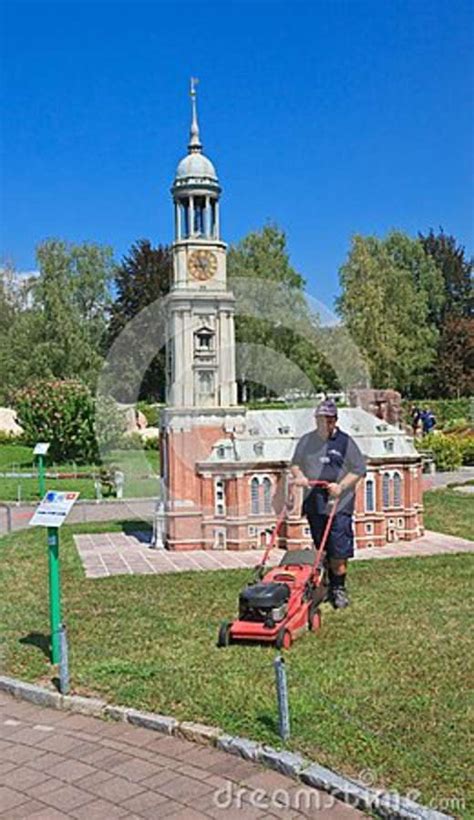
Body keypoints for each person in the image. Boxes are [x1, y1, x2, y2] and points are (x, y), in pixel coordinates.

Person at [290, 399, 366, 609]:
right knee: (321, 547)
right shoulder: (307, 441)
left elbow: (358, 469)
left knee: (338, 549)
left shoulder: (345, 442)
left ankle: (338, 589)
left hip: (339, 504)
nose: (325, 424)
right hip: (315, 502)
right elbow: (295, 464)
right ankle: (324, 584)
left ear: (334, 421)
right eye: (321, 420)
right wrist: (300, 477)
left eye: (329, 421)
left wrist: (340, 486)